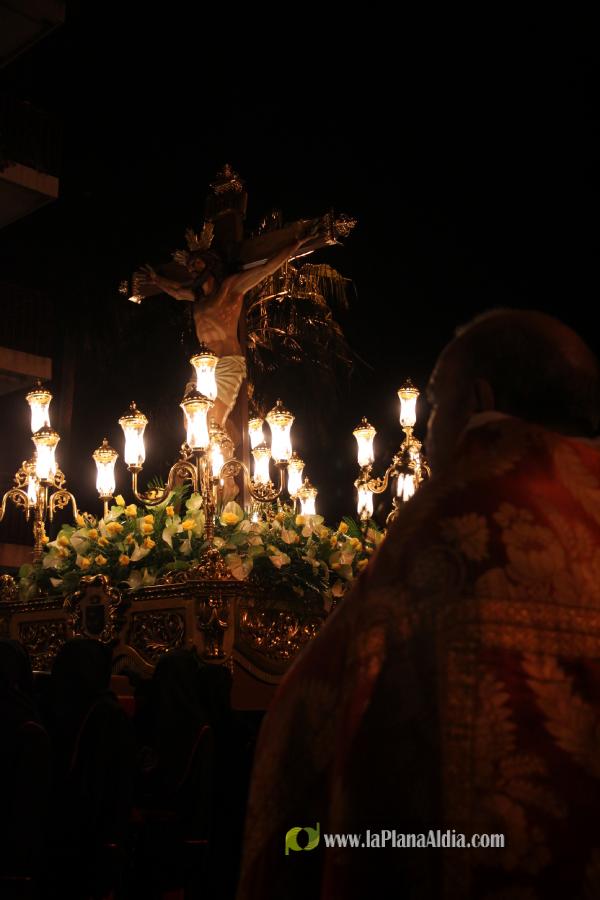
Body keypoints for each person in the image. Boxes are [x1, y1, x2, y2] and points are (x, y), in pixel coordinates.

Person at [236, 310, 600, 900]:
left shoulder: (452, 519)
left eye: (435, 405)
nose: (426, 433)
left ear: (478, 400)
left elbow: (310, 718)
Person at [138, 220, 321, 427]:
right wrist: (156, 280)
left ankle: (229, 445)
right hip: (201, 366)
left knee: (214, 422)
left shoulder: (231, 287)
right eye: (189, 266)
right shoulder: (197, 298)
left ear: (210, 263)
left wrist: (297, 243)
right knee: (191, 423)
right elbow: (177, 291)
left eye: (196, 263)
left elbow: (266, 268)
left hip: (227, 362)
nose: (191, 269)